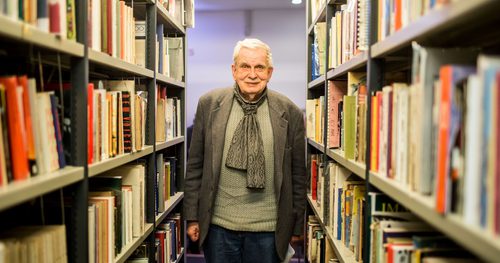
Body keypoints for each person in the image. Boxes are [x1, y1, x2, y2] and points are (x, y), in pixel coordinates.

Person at [183, 38, 306, 263]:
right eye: (245, 66)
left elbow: (298, 175)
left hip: (269, 230)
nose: (252, 74)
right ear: (234, 70)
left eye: (259, 67)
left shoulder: (290, 112)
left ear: (269, 72)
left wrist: (297, 226)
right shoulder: (209, 104)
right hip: (219, 227)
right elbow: (195, 166)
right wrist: (192, 217)